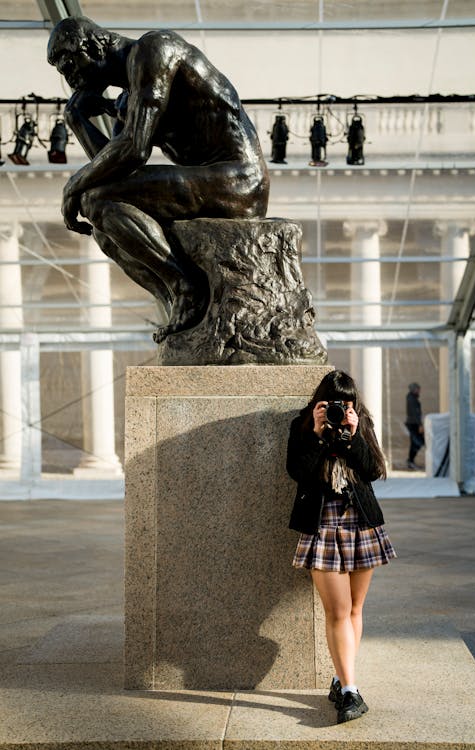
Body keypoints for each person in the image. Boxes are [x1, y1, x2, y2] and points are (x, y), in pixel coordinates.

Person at [47, 16, 269, 333]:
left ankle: (185, 288)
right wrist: (77, 118)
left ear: (93, 46)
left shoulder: (155, 51)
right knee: (103, 227)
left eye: (69, 65)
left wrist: (72, 188)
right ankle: (176, 301)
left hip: (238, 180)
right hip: (209, 181)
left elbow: (133, 149)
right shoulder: (128, 97)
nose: (71, 80)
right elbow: (115, 172)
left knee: (93, 199)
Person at [286, 369, 396, 724]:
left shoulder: (360, 423)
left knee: (354, 610)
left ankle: (340, 679)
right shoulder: (302, 426)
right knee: (337, 610)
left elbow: (373, 469)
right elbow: (298, 472)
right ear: (320, 402)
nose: (340, 408)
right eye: (333, 403)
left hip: (360, 522)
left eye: (346, 403)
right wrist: (318, 435)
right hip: (323, 524)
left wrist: (351, 435)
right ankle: (351, 691)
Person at [405, 382, 424, 470]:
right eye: (417, 389)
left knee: (416, 442)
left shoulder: (412, 398)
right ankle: (410, 461)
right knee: (417, 442)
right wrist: (420, 425)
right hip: (413, 424)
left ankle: (411, 461)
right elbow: (415, 413)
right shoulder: (412, 399)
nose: (419, 391)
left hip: (413, 423)